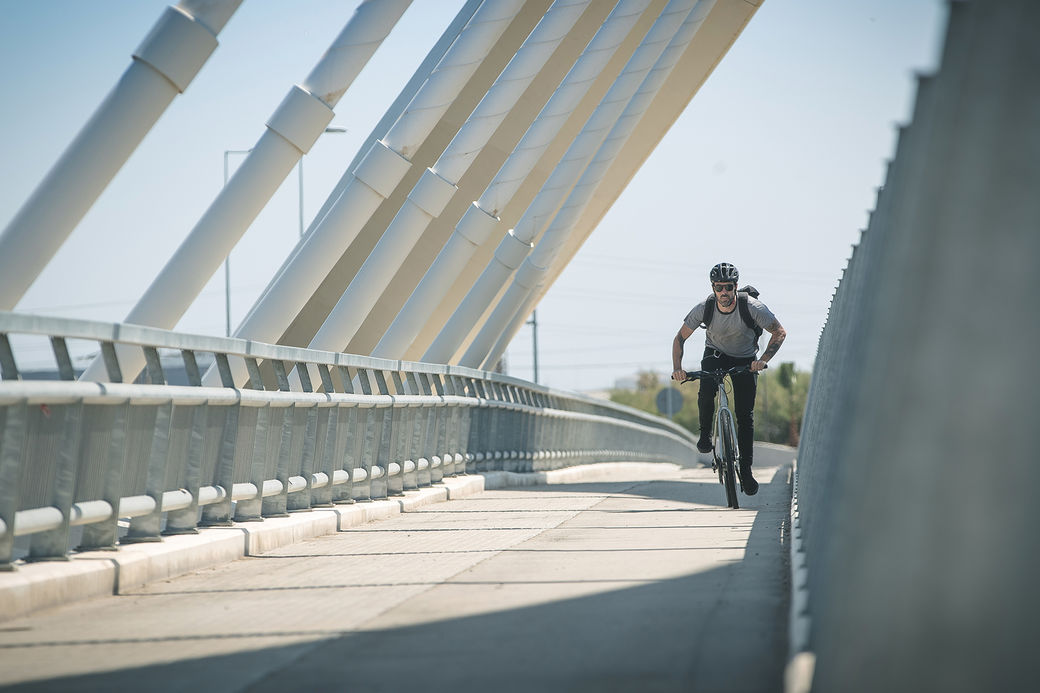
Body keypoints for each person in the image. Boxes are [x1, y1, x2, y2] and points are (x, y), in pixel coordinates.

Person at [671, 262, 787, 495]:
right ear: (713, 288)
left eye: (728, 287)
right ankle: (705, 435)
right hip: (716, 354)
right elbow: (679, 339)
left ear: (736, 287)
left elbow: (779, 332)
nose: (724, 292)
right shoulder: (704, 308)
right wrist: (678, 368)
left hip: (746, 360)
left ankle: (745, 471)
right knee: (705, 392)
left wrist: (762, 360)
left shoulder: (753, 307)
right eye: (719, 287)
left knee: (745, 416)